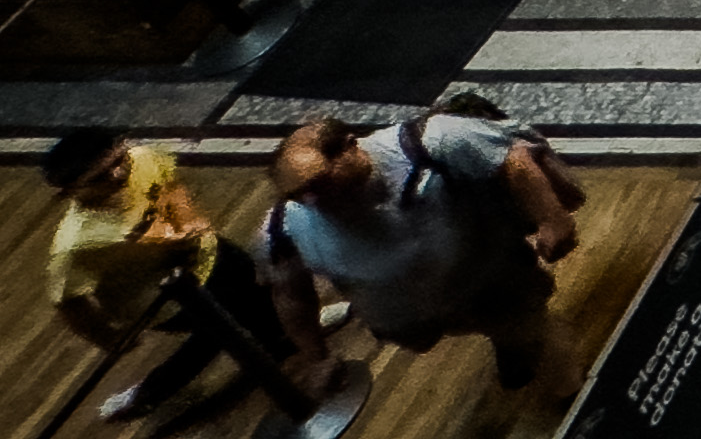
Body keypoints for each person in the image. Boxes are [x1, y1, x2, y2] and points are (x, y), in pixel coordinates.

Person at [260, 108, 578, 397]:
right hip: (407, 312)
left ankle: (564, 389)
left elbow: (515, 161)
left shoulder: (434, 141)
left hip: (485, 271)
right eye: (301, 194)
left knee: (526, 326)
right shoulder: (282, 230)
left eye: (321, 182)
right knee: (468, 324)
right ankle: (508, 340)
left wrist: (551, 218)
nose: (315, 200)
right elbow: (291, 295)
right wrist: (316, 357)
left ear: (350, 146)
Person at [44, 126, 276, 429]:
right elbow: (68, 301)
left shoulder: (143, 158)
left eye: (119, 160)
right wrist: (109, 339)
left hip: (205, 251)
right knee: (221, 329)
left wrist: (187, 227)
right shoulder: (74, 244)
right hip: (163, 298)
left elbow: (171, 188)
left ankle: (287, 327)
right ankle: (148, 392)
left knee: (249, 296)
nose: (118, 173)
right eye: (99, 177)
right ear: (70, 192)